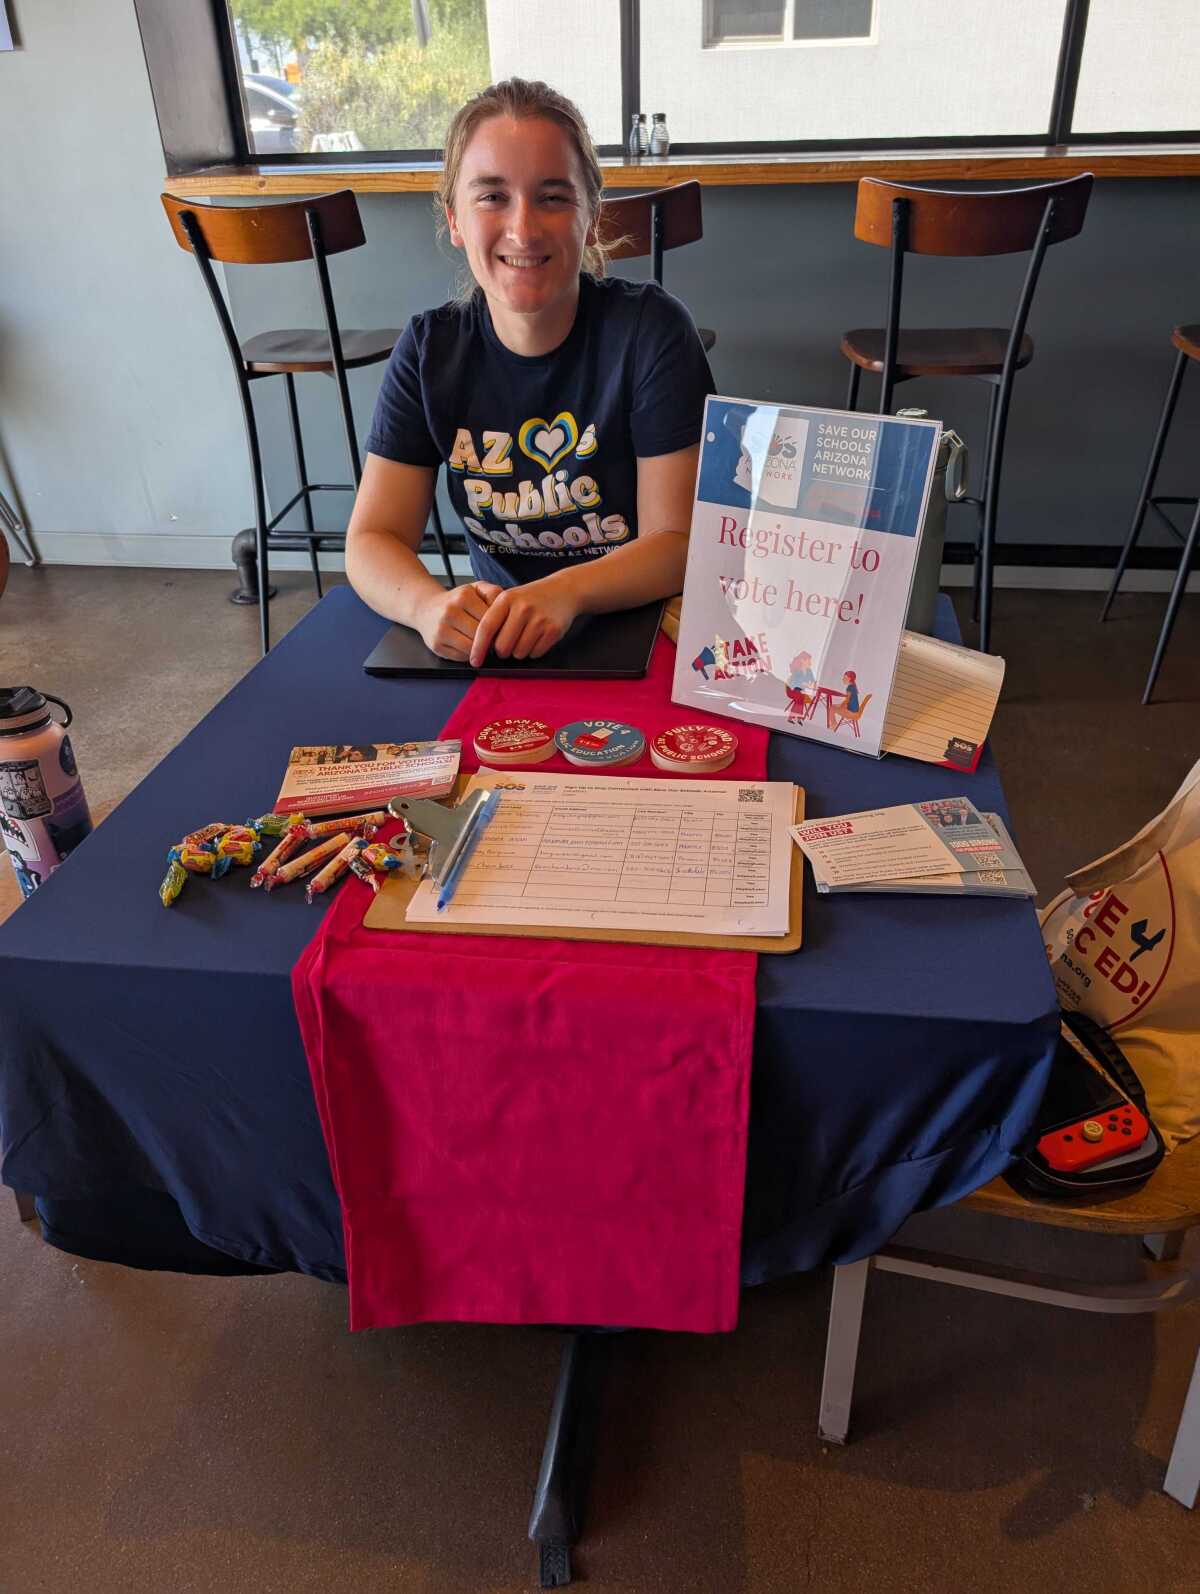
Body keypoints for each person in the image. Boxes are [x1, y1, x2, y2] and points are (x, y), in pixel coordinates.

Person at [346, 78, 714, 665]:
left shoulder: (651, 330)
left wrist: (565, 592)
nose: (522, 229)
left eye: (552, 196)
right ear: (455, 220)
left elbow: (677, 543)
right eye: (492, 196)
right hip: (502, 644)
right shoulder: (428, 349)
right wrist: (425, 607)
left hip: (647, 630)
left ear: (591, 216)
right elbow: (372, 539)